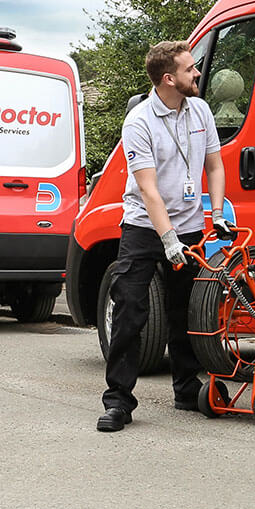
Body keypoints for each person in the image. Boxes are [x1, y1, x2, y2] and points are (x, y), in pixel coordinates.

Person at [97, 40, 231, 432]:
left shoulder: (201, 110)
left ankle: (187, 389)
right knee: (129, 311)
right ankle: (118, 402)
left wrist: (217, 214)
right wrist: (167, 240)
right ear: (169, 78)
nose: (198, 74)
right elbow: (149, 190)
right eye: (191, 69)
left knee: (184, 309)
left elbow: (215, 167)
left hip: (188, 224)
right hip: (143, 227)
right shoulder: (138, 122)